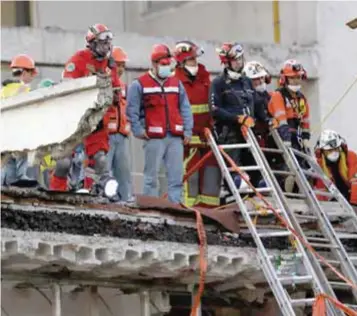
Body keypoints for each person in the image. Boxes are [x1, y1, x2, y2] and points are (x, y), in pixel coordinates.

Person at [49, 23, 120, 199]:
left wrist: (112, 85)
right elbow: (67, 87)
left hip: (95, 121)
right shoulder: (78, 60)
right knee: (64, 163)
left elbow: (117, 94)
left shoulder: (110, 66)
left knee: (100, 160)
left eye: (108, 42)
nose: (107, 46)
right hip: (73, 119)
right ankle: (55, 195)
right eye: (103, 42)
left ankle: (91, 194)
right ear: (92, 43)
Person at [126, 44, 193, 204]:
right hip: (154, 138)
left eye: (168, 65)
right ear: (154, 64)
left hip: (175, 138)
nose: (166, 68)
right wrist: (138, 130)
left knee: (176, 178)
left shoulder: (176, 84)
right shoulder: (140, 84)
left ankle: (175, 208)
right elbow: (132, 110)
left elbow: (185, 108)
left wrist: (187, 131)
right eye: (163, 65)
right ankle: (151, 208)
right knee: (151, 178)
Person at [210, 42, 271, 190]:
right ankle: (237, 205)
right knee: (238, 180)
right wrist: (238, 118)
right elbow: (214, 109)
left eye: (240, 58)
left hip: (249, 134)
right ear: (227, 62)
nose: (239, 62)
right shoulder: (219, 83)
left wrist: (268, 120)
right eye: (235, 59)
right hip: (230, 135)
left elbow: (256, 105)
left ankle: (257, 203)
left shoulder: (246, 82)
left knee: (258, 176)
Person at [173, 40, 221, 208]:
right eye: (191, 60)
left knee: (212, 177)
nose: (195, 63)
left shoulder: (205, 78)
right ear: (181, 62)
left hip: (207, 140)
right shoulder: (175, 82)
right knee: (190, 180)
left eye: (195, 59)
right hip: (187, 143)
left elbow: (211, 107)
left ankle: (210, 212)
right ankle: (190, 212)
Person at [1, 54, 39, 187]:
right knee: (21, 151)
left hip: (5, 134)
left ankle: (9, 182)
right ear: (23, 72)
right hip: (18, 131)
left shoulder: (4, 90)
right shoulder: (23, 89)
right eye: (31, 72)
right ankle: (20, 176)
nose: (32, 76)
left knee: (8, 161)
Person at [103, 46, 134, 202]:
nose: (120, 69)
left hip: (122, 136)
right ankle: (106, 200)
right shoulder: (102, 84)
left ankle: (125, 200)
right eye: (118, 65)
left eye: (122, 65)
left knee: (123, 172)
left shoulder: (124, 88)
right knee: (105, 172)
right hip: (106, 137)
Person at [268, 59, 310, 153]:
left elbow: (305, 121)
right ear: (284, 79)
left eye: (298, 77)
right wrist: (286, 140)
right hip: (280, 139)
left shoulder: (301, 98)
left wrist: (305, 139)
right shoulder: (278, 96)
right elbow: (282, 121)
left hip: (296, 139)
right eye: (292, 78)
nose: (296, 81)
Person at [314, 130, 357, 205]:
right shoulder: (319, 166)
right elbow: (319, 189)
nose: (334, 152)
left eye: (336, 149)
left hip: (352, 200)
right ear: (322, 151)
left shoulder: (351, 157)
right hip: (333, 202)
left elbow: (354, 180)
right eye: (329, 150)